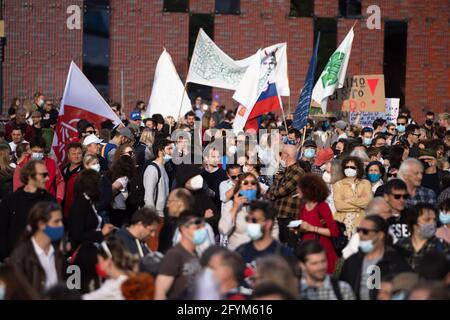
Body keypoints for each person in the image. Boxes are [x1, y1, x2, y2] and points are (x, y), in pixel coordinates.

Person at [340, 215, 410, 300]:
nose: (360, 235)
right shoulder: (352, 261)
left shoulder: (396, 262)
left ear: (380, 235)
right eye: (358, 230)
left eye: (365, 231)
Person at [68, 169, 116, 293]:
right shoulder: (80, 204)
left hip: (90, 254)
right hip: (82, 258)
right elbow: (77, 235)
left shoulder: (88, 202)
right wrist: (101, 233)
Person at [0, 160, 57, 261]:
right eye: (43, 175)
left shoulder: (50, 201)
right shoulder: (10, 201)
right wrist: (5, 256)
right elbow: (2, 230)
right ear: (30, 176)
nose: (48, 178)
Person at [9, 202, 66, 294]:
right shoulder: (21, 256)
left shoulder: (57, 254)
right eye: (56, 221)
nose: (61, 225)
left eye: (61, 221)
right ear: (41, 225)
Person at [295, 174, 340, 273]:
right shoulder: (302, 207)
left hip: (322, 251)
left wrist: (312, 228)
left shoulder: (322, 206)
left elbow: (334, 232)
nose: (297, 190)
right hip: (306, 251)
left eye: (300, 187)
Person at [219, 173, 277, 250]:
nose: (249, 185)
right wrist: (235, 207)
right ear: (239, 186)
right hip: (238, 253)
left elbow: (274, 232)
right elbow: (223, 230)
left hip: (261, 254)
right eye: (245, 183)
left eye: (253, 183)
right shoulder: (231, 204)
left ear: (257, 187)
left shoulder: (265, 205)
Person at [155, 211, 203, 300]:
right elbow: (160, 292)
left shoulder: (196, 253)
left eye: (202, 228)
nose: (201, 231)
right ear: (184, 229)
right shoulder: (174, 255)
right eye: (197, 228)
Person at [265, 144, 304, 248]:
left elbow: (280, 192)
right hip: (277, 213)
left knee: (291, 247)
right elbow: (269, 191)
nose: (280, 156)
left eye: (281, 154)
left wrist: (272, 193)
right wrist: (272, 193)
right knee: (277, 246)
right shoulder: (282, 170)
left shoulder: (298, 172)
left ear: (286, 155)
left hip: (289, 214)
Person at [235, 201, 294, 269]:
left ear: (268, 224)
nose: (249, 223)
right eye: (247, 219)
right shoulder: (240, 252)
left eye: (254, 220)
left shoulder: (283, 255)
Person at [395, 203, 449, 271]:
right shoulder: (400, 246)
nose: (432, 223)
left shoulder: (442, 246)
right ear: (414, 223)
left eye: (434, 220)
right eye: (427, 219)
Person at [13, 136, 65, 204]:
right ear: (30, 150)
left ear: (44, 151)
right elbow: (17, 189)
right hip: (28, 205)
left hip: (48, 204)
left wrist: (59, 198)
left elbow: (60, 182)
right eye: (35, 151)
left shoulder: (52, 163)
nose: (38, 154)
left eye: (40, 152)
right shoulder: (21, 166)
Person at [333, 156, 373, 238]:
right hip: (343, 222)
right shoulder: (338, 184)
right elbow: (339, 206)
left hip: (361, 221)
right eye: (346, 167)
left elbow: (369, 202)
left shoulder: (365, 183)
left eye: (352, 167)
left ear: (358, 169)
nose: (349, 169)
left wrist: (350, 200)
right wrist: (358, 207)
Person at [175, 164, 219, 233]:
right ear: (185, 181)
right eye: (194, 177)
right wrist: (204, 219)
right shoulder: (178, 198)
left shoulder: (201, 193)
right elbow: (184, 226)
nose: (198, 178)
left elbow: (216, 214)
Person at [108, 145, 137, 227]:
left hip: (127, 213)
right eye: (130, 153)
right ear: (120, 156)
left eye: (133, 153)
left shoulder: (133, 173)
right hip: (118, 214)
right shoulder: (120, 177)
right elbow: (109, 192)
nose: (132, 155)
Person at [158, 188, 195, 253]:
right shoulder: (167, 227)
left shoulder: (199, 228)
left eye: (169, 201)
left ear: (180, 204)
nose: (167, 205)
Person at [201, 146, 228, 213]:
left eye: (218, 156)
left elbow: (225, 197)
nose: (216, 159)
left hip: (218, 211)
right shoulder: (200, 174)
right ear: (206, 158)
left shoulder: (224, 174)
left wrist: (212, 193)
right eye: (213, 157)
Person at [62, 142, 84, 220]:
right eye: (73, 154)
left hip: (77, 211)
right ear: (68, 155)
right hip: (63, 209)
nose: (76, 156)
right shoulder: (63, 170)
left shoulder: (84, 172)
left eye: (79, 153)